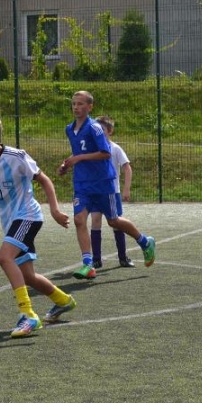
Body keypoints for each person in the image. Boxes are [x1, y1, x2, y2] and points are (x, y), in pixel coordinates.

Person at [0, 113, 76, 337]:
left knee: (4, 258)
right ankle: (63, 300)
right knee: (28, 275)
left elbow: (44, 180)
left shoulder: (16, 157)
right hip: (10, 221)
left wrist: (54, 210)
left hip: (28, 216)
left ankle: (28, 315)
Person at [58, 91, 155, 282]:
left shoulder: (95, 128)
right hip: (82, 184)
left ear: (90, 107)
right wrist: (67, 164)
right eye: (74, 104)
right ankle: (88, 264)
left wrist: (79, 158)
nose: (76, 107)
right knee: (79, 219)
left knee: (113, 221)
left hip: (103, 183)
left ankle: (145, 241)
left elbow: (105, 153)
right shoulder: (69, 129)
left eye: (80, 104)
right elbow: (78, 152)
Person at [91, 115, 136, 268]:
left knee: (116, 224)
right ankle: (96, 259)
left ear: (110, 131)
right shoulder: (93, 149)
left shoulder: (115, 148)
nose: (98, 132)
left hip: (112, 192)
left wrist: (126, 188)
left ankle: (123, 257)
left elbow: (127, 168)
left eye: (102, 129)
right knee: (95, 221)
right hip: (96, 192)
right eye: (96, 129)